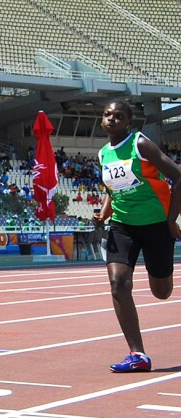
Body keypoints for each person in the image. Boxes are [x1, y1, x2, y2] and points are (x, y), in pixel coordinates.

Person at [93, 100, 181, 373]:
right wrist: (104, 214)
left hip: (157, 224)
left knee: (162, 292)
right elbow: (113, 188)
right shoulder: (103, 154)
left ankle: (163, 275)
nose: (112, 119)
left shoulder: (141, 145)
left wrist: (172, 219)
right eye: (107, 115)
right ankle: (138, 354)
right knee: (118, 284)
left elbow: (178, 177)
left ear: (128, 123)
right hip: (123, 226)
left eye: (118, 116)